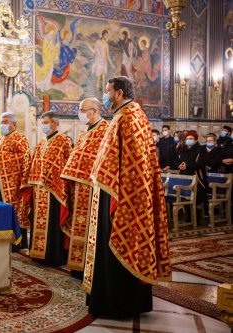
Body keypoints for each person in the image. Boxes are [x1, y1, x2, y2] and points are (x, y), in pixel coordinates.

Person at [85, 76, 171, 318]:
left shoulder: (129, 116)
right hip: (116, 190)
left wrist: (115, 191)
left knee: (117, 244)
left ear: (119, 93)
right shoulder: (127, 114)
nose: (105, 96)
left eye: (107, 91)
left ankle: (118, 302)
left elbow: (131, 163)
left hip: (122, 195)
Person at [61, 97, 109, 278]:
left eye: (83, 110)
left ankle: (91, 266)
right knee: (79, 226)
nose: (80, 114)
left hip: (94, 190)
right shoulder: (84, 133)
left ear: (95, 110)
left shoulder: (105, 131)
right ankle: (78, 265)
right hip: (79, 189)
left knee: (92, 228)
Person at [21, 111, 72, 266]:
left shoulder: (63, 141)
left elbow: (68, 164)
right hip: (38, 189)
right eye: (42, 122)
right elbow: (34, 163)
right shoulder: (42, 142)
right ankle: (38, 254)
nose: (43, 125)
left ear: (55, 123)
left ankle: (53, 256)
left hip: (55, 190)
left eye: (46, 122)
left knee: (52, 223)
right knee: (38, 221)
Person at [0, 112, 30, 250]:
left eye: (6, 122)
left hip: (10, 183)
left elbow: (23, 159)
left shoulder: (20, 139)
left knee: (9, 210)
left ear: (14, 124)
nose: (2, 124)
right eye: (2, 122)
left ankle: (14, 242)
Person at [175, 131, 208, 206]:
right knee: (184, 197)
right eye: (187, 138)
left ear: (196, 140)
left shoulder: (201, 149)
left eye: (191, 138)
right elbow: (176, 160)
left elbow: (201, 163)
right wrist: (179, 165)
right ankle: (187, 214)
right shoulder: (182, 149)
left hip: (197, 176)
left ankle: (196, 215)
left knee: (196, 199)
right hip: (184, 175)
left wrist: (187, 165)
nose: (189, 140)